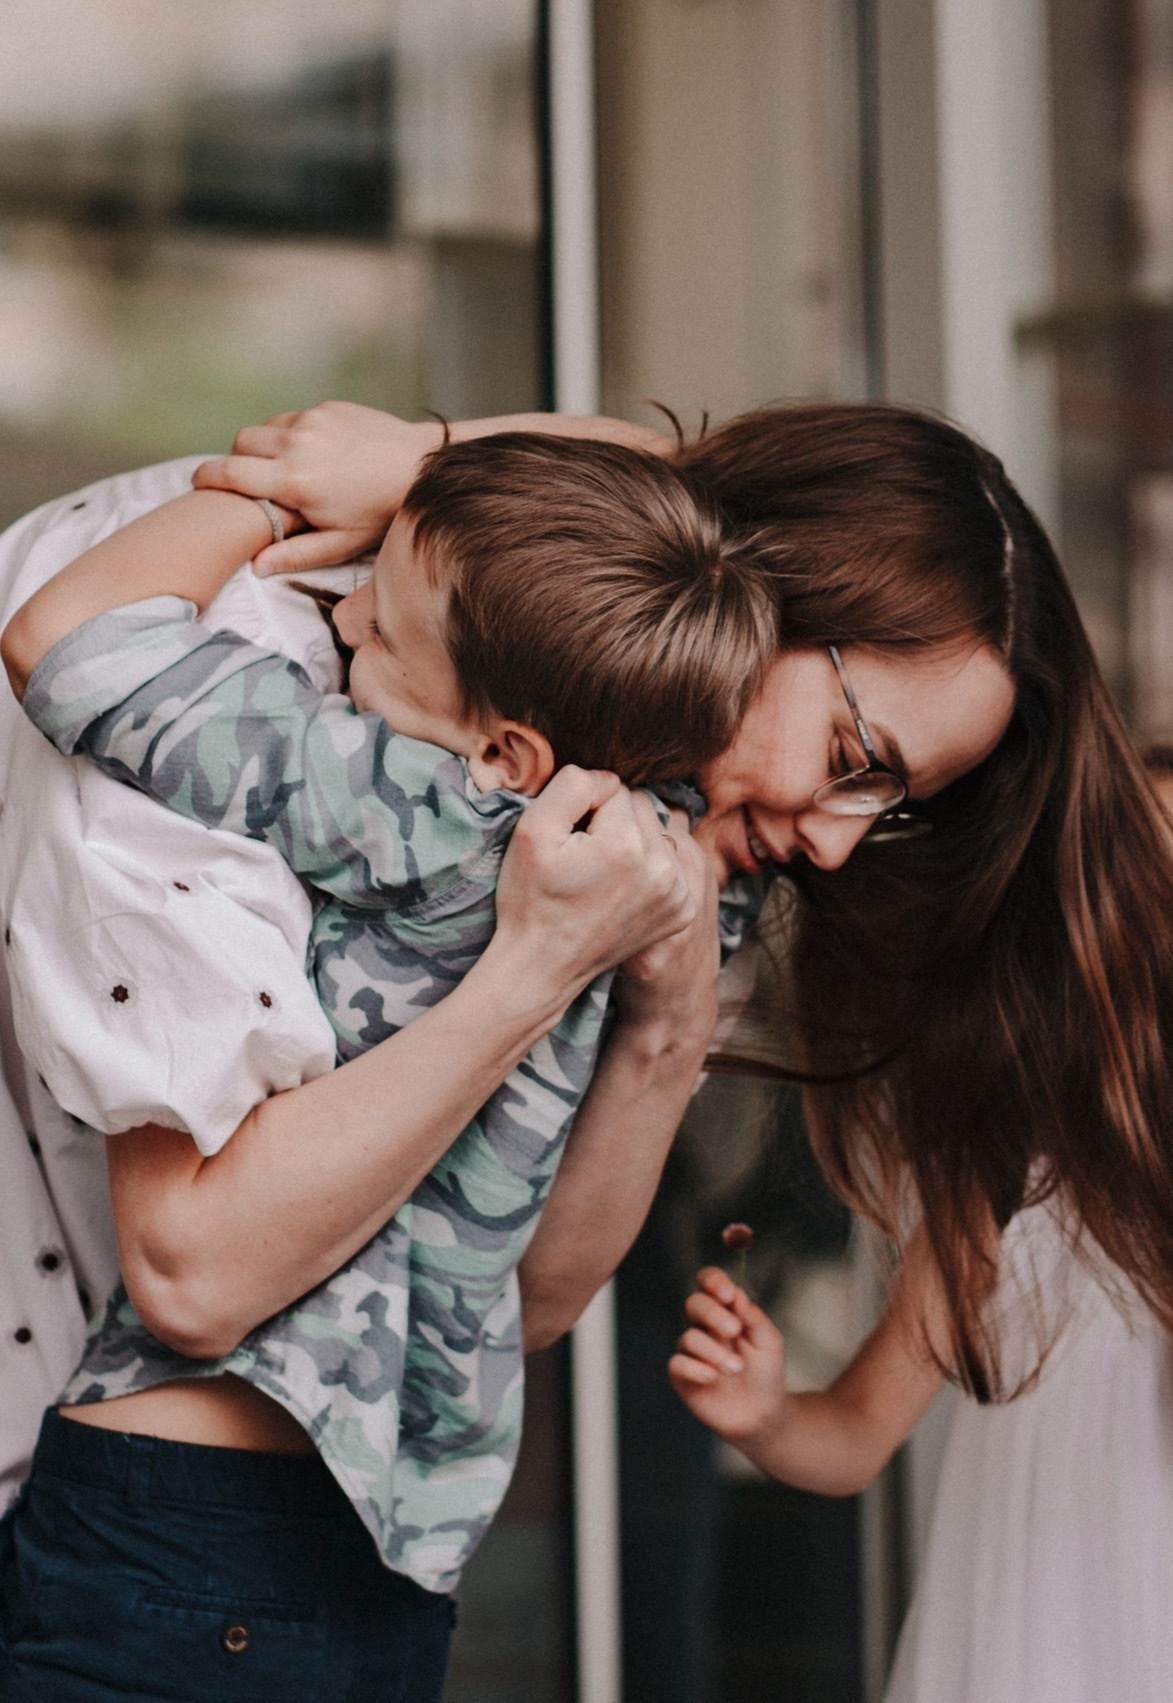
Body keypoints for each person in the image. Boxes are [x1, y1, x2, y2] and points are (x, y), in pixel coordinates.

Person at [0, 427, 718, 1700]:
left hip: (179, 1514)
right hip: (405, 1552)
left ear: (504, 753)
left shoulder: (409, 804)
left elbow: (61, 636)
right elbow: (535, 1288)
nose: (338, 639)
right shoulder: (649, 868)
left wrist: (271, 492)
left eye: (382, 633)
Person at [669, 748, 1173, 1703]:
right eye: (1137, 868)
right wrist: (769, 1415)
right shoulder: (1010, 1180)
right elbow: (855, 1435)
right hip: (1017, 1649)